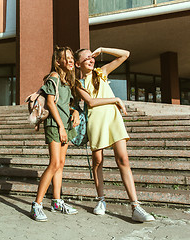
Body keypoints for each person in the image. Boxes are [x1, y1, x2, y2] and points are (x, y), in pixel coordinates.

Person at [74, 47, 155, 223]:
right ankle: (101, 200)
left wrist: (103, 49)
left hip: (113, 119)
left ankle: (135, 206)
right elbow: (91, 102)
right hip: (96, 122)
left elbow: (126, 54)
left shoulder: (101, 72)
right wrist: (116, 99)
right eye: (86, 58)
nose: (91, 60)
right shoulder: (78, 83)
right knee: (97, 162)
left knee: (123, 160)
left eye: (92, 57)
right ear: (77, 63)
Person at [30, 46, 80, 222]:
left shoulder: (67, 80)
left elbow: (66, 104)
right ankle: (37, 204)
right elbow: (50, 103)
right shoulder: (54, 77)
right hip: (55, 124)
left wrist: (74, 112)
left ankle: (57, 201)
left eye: (72, 57)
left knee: (61, 164)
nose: (71, 60)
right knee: (54, 163)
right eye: (67, 57)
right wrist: (60, 126)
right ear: (58, 62)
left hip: (64, 124)